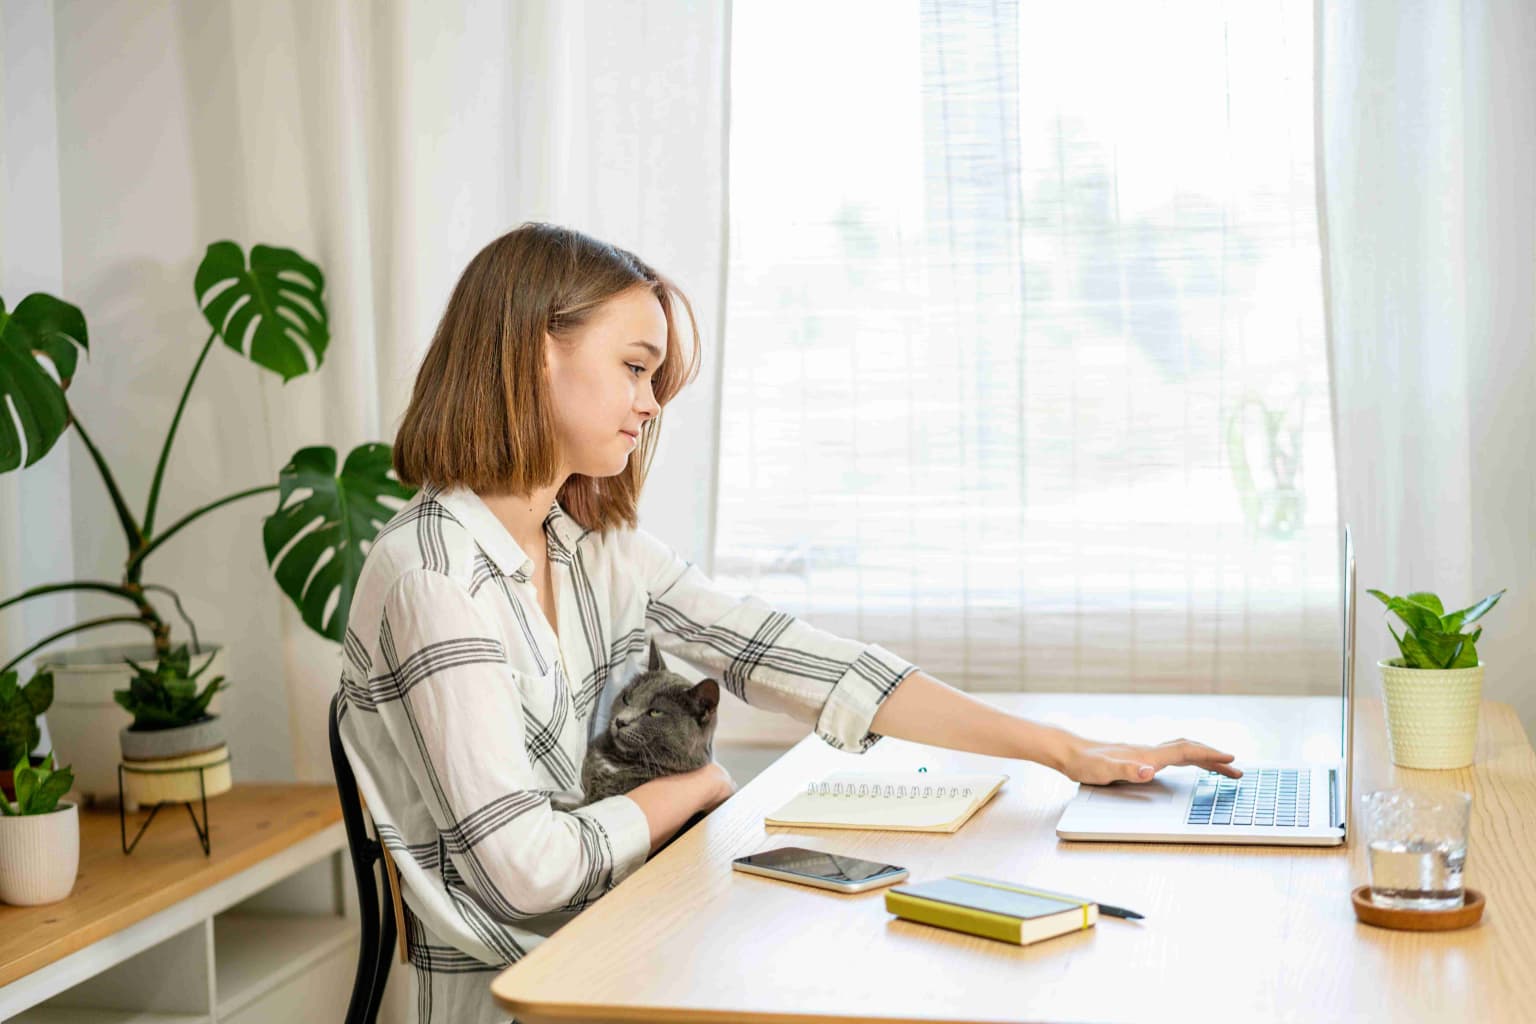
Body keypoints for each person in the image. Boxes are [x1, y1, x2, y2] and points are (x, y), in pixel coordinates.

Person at [335, 223, 1241, 1023]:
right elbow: (526, 870)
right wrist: (687, 791)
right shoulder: (432, 576)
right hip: (519, 996)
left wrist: (1064, 751)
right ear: (538, 350)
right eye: (636, 368)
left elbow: (805, 661)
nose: (651, 405)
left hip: (622, 943)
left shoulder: (590, 549)